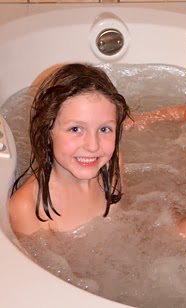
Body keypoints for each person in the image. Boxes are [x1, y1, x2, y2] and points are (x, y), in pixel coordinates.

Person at [9, 63, 130, 236]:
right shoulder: (27, 207)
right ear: (47, 131)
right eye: (75, 129)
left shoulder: (113, 163)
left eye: (104, 129)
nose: (93, 146)